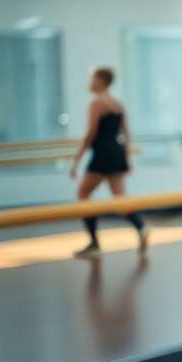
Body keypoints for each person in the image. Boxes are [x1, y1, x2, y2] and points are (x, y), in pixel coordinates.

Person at [69, 66, 148, 257]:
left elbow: (90, 134)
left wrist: (76, 159)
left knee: (83, 193)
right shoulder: (118, 103)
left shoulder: (96, 104)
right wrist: (126, 158)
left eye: (92, 79)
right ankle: (141, 227)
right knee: (119, 198)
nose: (89, 83)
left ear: (101, 81)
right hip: (116, 152)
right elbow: (126, 133)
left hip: (102, 154)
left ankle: (94, 242)